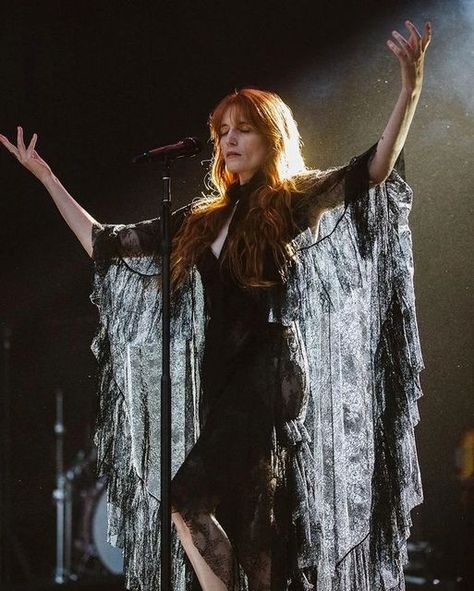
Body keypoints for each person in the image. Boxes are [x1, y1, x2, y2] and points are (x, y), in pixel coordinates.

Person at [0, 19, 432, 591]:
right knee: (256, 528)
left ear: (270, 138)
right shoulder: (201, 220)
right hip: (221, 379)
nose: (229, 140)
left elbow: (371, 170)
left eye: (244, 129)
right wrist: (46, 176)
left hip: (269, 368)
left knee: (185, 499)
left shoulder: (289, 199)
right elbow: (106, 242)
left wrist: (410, 88)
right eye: (222, 130)